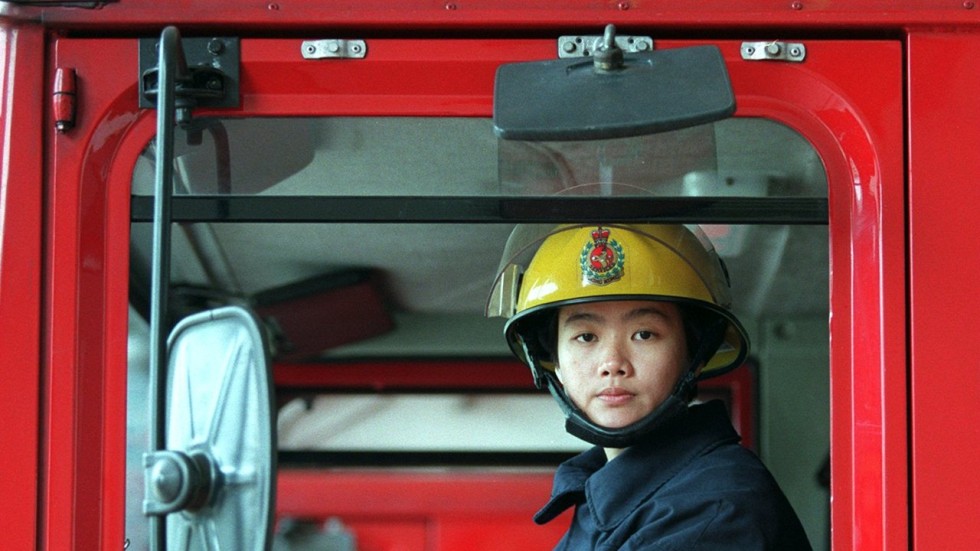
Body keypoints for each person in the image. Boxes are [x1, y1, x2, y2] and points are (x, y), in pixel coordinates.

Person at [486, 223, 812, 550]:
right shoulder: (603, 492)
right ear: (553, 361)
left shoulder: (715, 510)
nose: (613, 363)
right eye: (586, 337)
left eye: (644, 334)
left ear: (694, 355)